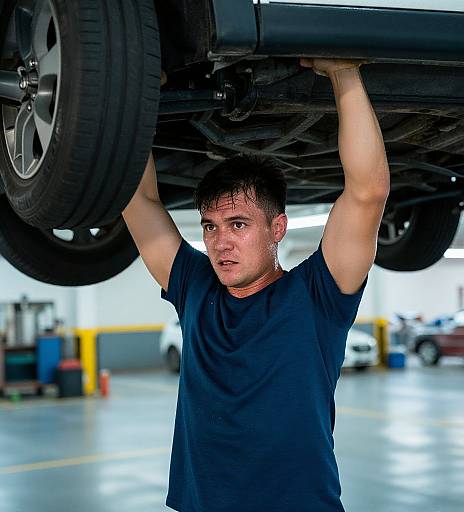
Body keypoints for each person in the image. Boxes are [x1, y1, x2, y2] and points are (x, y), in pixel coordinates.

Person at [122, 57, 390, 512]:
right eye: (210, 226)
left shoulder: (317, 297)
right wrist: (136, 95)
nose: (220, 243)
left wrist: (343, 72)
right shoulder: (195, 287)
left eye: (239, 224)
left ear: (278, 228)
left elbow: (368, 192)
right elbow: (137, 197)